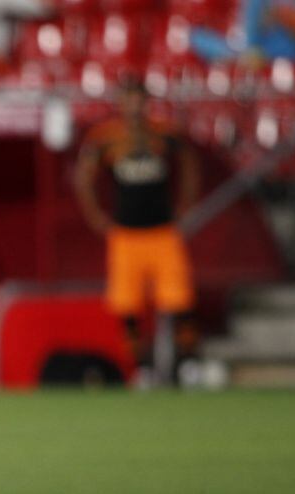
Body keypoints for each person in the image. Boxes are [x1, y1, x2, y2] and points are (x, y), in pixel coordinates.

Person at [73, 77, 200, 386]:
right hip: (126, 235)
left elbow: (189, 163)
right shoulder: (107, 137)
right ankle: (141, 367)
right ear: (119, 102)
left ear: (147, 101)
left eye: (139, 99)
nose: (134, 106)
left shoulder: (164, 133)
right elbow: (84, 177)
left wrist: (185, 206)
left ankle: (187, 364)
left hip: (163, 231)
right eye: (128, 99)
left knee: (178, 300)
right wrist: (96, 216)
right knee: (127, 306)